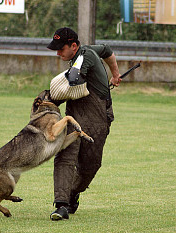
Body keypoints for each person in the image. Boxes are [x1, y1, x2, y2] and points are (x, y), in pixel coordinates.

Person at [47, 27, 121, 221]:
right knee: (65, 156)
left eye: (60, 49)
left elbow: (73, 78)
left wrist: (114, 74)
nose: (57, 53)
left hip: (97, 119)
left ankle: (72, 193)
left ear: (73, 45)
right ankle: (61, 205)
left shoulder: (84, 56)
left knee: (91, 165)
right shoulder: (85, 51)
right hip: (73, 116)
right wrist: (115, 74)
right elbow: (106, 49)